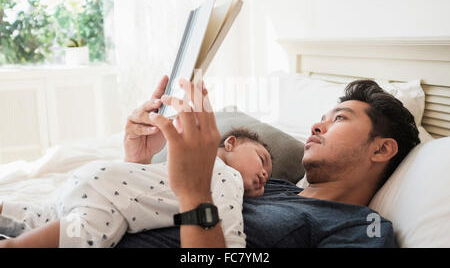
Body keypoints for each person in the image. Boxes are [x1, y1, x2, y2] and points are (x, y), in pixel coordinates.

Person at [112, 77, 420, 248]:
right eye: (322, 118)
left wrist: (195, 196)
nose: (316, 126)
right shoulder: (266, 186)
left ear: (381, 150)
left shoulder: (361, 230)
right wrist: (137, 161)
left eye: (339, 119)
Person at [0, 77, 272, 248]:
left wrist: (136, 160)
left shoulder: (170, 166)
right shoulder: (226, 175)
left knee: (43, 216)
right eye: (262, 160)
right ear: (231, 142)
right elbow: (231, 238)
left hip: (90, 180)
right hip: (105, 201)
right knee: (88, 234)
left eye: (268, 175)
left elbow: (139, 187)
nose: (264, 174)